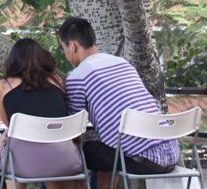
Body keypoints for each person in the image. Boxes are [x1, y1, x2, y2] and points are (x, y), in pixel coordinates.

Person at [59, 17, 180, 189]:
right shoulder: (123, 64)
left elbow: (73, 129)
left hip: (144, 160)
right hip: (171, 154)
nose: (66, 54)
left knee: (75, 153)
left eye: (64, 48)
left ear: (72, 46)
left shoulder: (78, 77)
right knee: (106, 148)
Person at [0, 38, 83, 189]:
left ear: (12, 60)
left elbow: (9, 123)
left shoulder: (3, 86)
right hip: (64, 160)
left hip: (23, 164)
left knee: (6, 144)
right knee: (46, 149)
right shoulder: (57, 80)